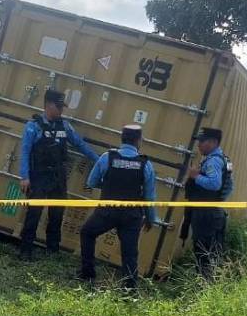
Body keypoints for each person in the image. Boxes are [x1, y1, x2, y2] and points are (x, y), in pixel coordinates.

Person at [17, 88, 98, 259]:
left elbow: (80, 144)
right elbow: (25, 151)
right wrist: (24, 177)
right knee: (34, 214)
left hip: (58, 176)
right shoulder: (34, 126)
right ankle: (25, 250)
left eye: (63, 107)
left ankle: (52, 250)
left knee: (57, 214)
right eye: (58, 106)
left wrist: (99, 160)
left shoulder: (65, 126)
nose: (61, 110)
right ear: (48, 105)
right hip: (39, 176)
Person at [78, 124, 158, 289]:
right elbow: (149, 197)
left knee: (87, 233)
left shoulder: (107, 157)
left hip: (107, 211)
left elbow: (91, 182)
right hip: (131, 215)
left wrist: (109, 187)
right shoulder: (146, 164)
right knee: (129, 252)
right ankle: (129, 288)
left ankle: (87, 273)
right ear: (138, 141)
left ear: (122, 138)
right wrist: (151, 219)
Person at [183, 127, 233, 280]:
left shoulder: (213, 161)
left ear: (213, 142)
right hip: (215, 212)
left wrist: (195, 176)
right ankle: (214, 285)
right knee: (214, 252)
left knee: (203, 252)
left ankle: (206, 287)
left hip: (206, 214)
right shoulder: (223, 159)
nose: (198, 145)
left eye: (202, 141)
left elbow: (215, 184)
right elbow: (229, 187)